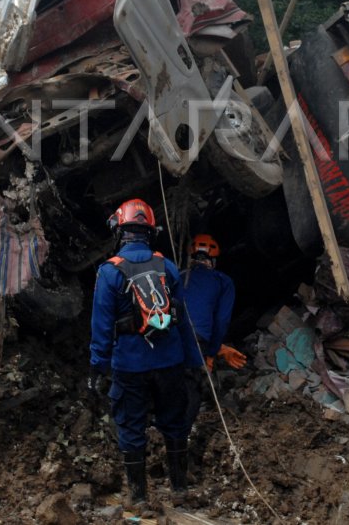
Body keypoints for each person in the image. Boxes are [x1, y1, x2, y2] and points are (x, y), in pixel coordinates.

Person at [89, 199, 194, 505]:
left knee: (132, 426)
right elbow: (182, 319)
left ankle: (139, 497)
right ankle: (179, 490)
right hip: (170, 361)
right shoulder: (167, 266)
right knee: (174, 422)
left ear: (120, 231)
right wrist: (191, 360)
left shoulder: (110, 272)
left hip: (130, 365)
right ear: (149, 231)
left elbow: (102, 326)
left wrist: (98, 366)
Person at [181, 234, 244, 429]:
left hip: (169, 336)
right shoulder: (222, 281)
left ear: (191, 257)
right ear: (213, 261)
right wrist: (212, 350)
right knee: (192, 389)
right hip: (197, 340)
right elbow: (221, 321)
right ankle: (179, 441)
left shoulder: (177, 275)